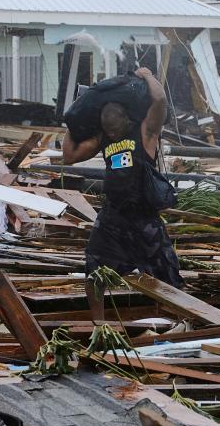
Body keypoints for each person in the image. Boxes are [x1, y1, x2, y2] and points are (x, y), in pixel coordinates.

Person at [62, 67, 183, 320]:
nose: (112, 134)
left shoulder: (146, 130)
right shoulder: (103, 137)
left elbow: (160, 100)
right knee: (94, 267)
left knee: (166, 273)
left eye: (114, 129)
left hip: (143, 217)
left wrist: (148, 76)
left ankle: (179, 319)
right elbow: (70, 156)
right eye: (108, 130)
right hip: (113, 215)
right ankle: (99, 322)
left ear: (125, 119)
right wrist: (75, 122)